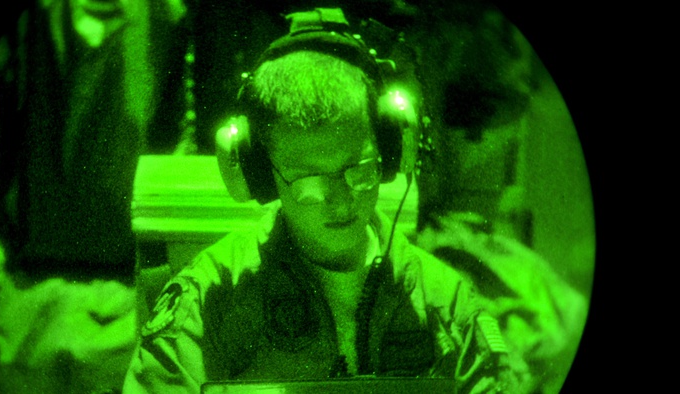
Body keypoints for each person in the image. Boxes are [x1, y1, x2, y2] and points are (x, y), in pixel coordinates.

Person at [123, 8, 524, 393]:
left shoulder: (447, 306)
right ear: (259, 174)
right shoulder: (205, 307)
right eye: (308, 182)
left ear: (389, 150)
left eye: (359, 170)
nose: (339, 202)